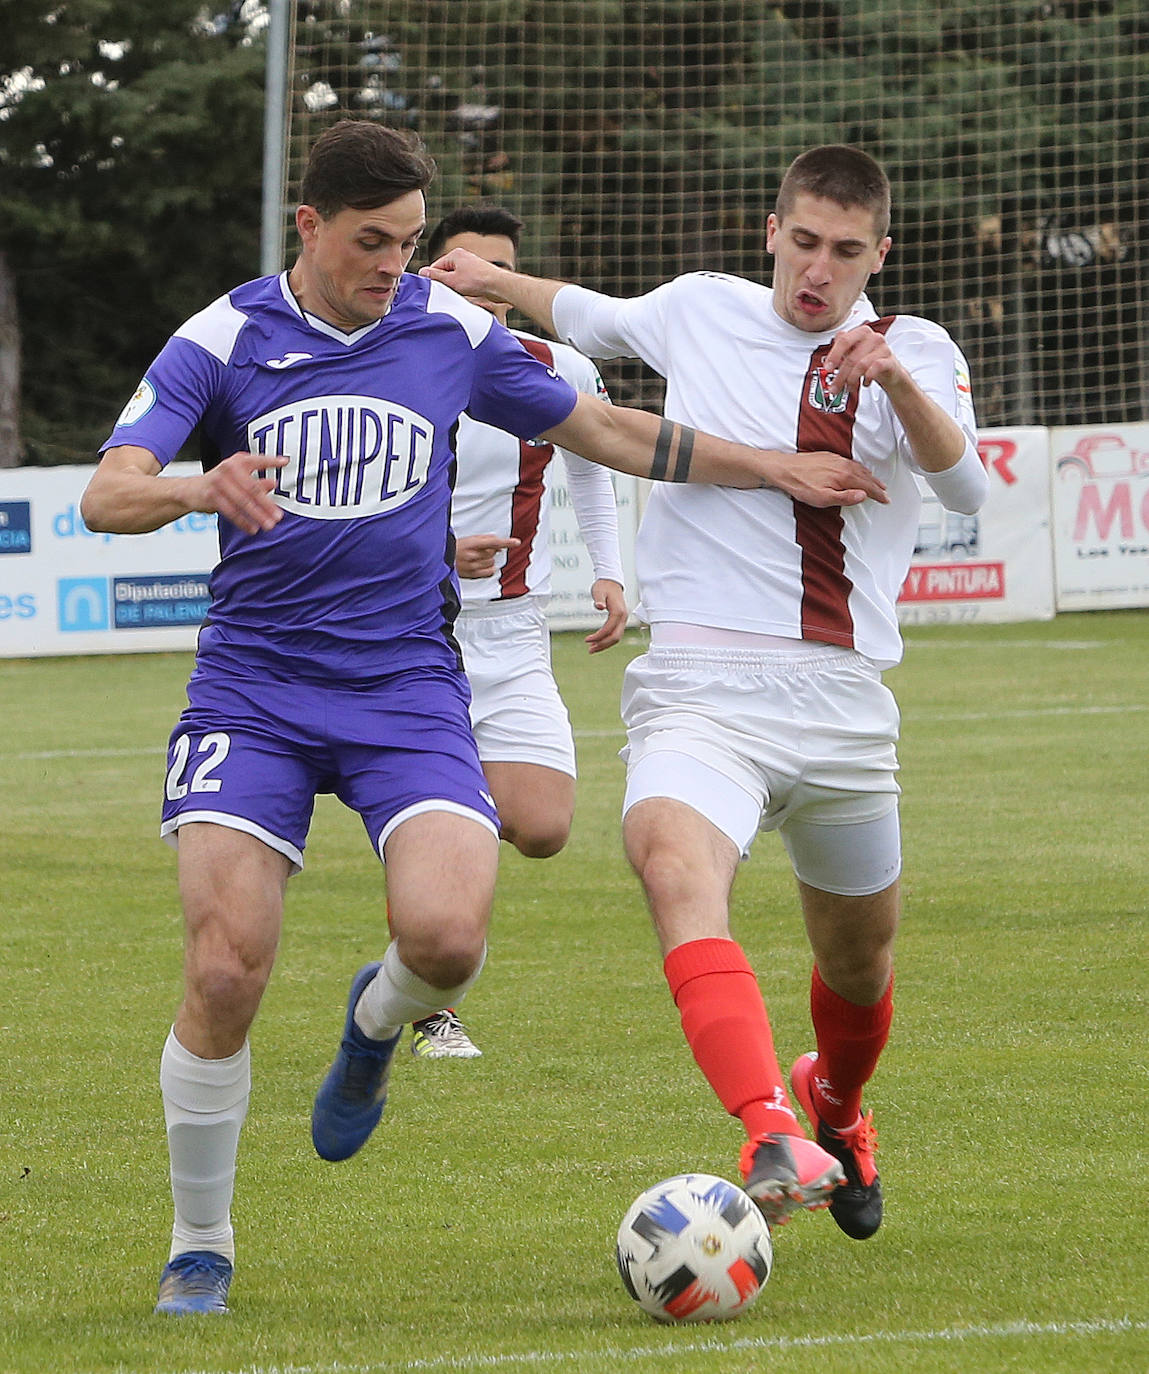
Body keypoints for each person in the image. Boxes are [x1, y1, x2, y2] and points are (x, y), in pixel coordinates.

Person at [80, 122, 885, 1316]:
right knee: (224, 966)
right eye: (370, 243)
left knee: (450, 938)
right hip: (254, 689)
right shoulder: (223, 336)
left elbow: (606, 431)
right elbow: (108, 492)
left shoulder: (448, 328)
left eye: (409, 242)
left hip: (407, 683)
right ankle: (203, 1238)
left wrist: (775, 466)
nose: (392, 267)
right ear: (308, 227)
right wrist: (198, 482)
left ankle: (372, 1027)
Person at [424, 144, 988, 1239]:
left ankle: (837, 1105)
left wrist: (900, 384)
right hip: (696, 688)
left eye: (846, 252)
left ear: (882, 253)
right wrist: (476, 282)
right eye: (805, 243)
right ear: (772, 231)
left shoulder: (907, 347)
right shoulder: (698, 309)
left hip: (839, 701)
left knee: (860, 969)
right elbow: (578, 310)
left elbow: (964, 480)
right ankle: (769, 1124)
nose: (818, 271)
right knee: (672, 863)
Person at [408, 205, 628, 1060]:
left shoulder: (556, 366)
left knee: (541, 826)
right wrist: (435, 552)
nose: (488, 294)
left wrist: (608, 571)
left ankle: (424, 855)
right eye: (471, 272)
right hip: (416, 631)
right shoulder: (397, 360)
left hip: (516, 630)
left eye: (502, 276)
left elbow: (595, 462)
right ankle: (433, 1007)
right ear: (433, 274)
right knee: (447, 818)